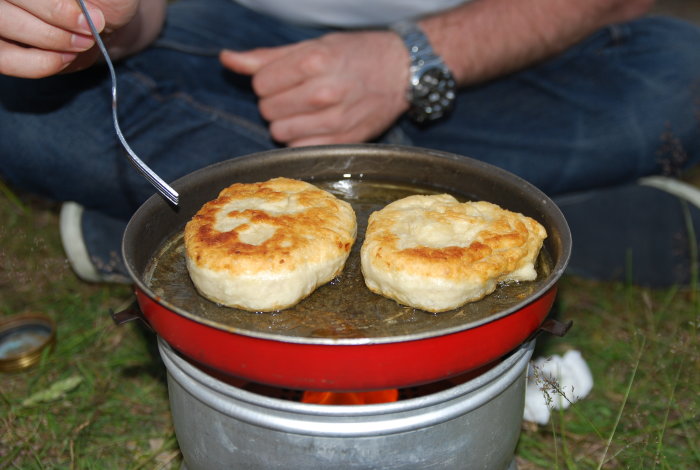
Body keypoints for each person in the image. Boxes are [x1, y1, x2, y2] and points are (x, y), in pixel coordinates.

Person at [1, 0, 699, 286]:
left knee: (680, 73)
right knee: (15, 106)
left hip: (478, 51)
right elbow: (140, 16)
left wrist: (413, 61)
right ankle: (503, 214)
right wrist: (89, 25)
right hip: (227, 42)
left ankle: (160, 214)